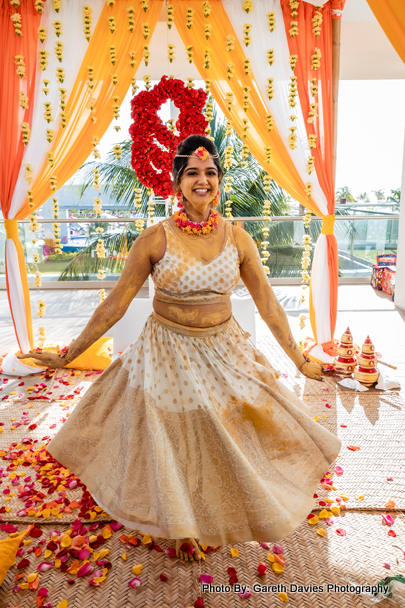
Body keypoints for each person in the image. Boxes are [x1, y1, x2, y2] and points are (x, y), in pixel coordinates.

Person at [18, 134, 341, 562]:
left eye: (210, 173)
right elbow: (115, 304)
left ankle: (220, 505)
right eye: (192, 173)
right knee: (173, 437)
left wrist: (300, 360)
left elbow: (268, 303)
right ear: (177, 183)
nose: (202, 180)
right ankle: (181, 524)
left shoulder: (238, 239)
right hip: (167, 351)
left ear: (219, 183)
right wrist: (67, 355)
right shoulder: (154, 239)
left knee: (228, 431)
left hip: (225, 350)